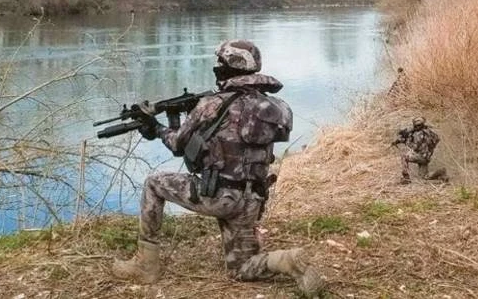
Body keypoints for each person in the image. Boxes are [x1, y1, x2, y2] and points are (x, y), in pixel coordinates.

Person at [112, 39, 325, 297]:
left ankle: (145, 264)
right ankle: (287, 260)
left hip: (219, 197)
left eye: (220, 63)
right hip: (252, 200)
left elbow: (178, 144)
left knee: (153, 183)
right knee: (240, 269)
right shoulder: (276, 108)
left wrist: (156, 128)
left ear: (228, 67)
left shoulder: (211, 105)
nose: (217, 68)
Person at [391, 117, 449, 184]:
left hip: (421, 156)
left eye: (417, 125)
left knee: (404, 157)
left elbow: (415, 147)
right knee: (424, 177)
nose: (416, 127)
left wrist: (406, 140)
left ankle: (406, 177)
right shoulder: (428, 131)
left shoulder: (420, 133)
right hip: (426, 157)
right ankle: (440, 172)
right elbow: (436, 140)